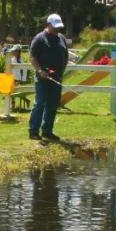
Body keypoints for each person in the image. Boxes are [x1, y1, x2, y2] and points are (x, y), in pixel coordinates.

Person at [28, 12, 69, 142]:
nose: (58, 29)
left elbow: (65, 56)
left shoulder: (61, 38)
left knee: (53, 105)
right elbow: (33, 57)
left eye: (59, 27)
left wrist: (61, 70)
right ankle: (33, 131)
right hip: (43, 78)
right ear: (48, 25)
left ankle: (47, 131)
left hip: (57, 78)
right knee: (40, 104)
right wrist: (40, 70)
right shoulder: (39, 38)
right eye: (55, 26)